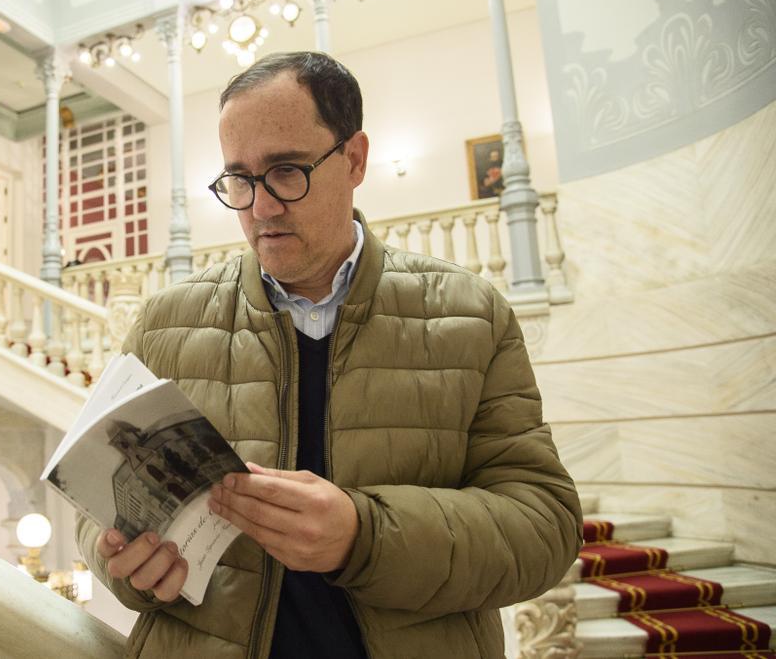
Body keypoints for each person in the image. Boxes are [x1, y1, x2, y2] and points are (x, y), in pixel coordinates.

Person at [75, 51, 582, 658]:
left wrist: (364, 537)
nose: (260, 208)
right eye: (239, 179)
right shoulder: (165, 323)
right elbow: (90, 505)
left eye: (286, 171)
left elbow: (544, 527)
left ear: (355, 159)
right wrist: (124, 567)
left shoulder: (469, 316)